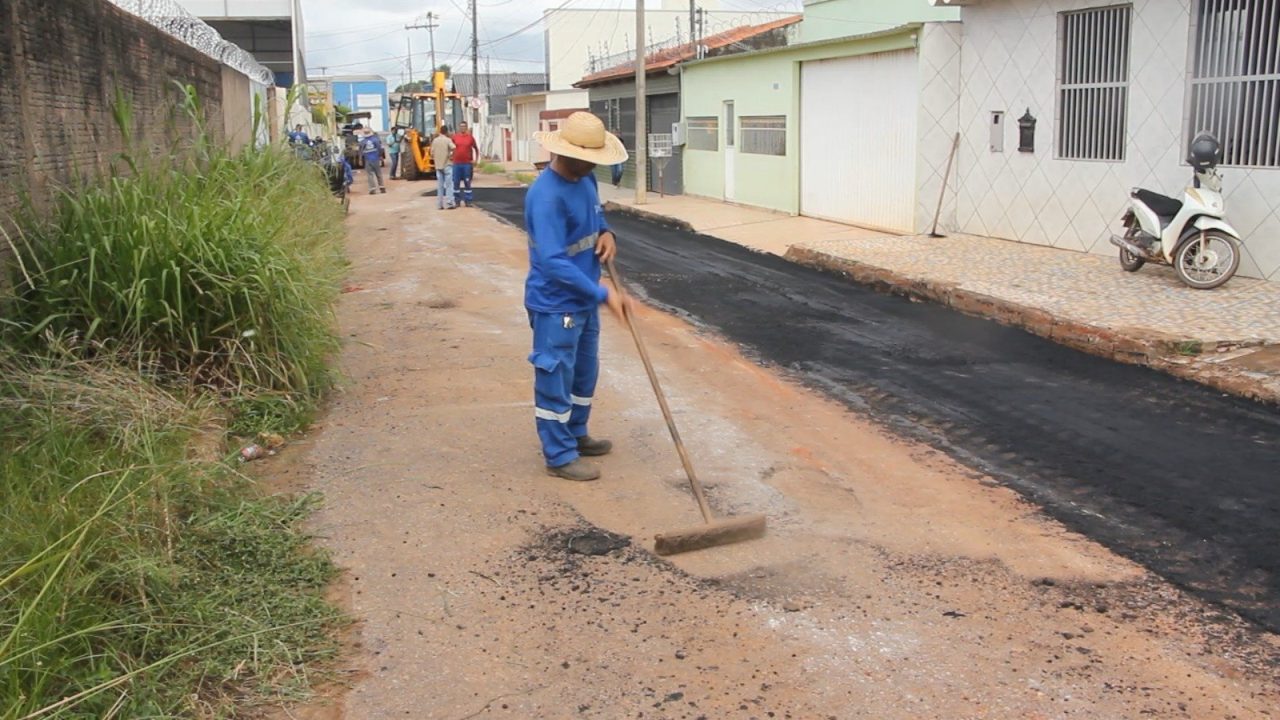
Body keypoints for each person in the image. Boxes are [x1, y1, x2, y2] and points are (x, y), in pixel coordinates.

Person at [524, 111, 630, 482]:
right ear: (566, 153)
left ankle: (576, 433)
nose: (591, 166)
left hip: (584, 298)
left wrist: (606, 233)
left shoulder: (585, 180)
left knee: (584, 372)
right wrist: (604, 294)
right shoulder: (546, 196)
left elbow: (595, 217)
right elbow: (552, 261)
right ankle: (559, 455)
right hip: (556, 303)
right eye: (588, 160)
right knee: (556, 375)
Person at [452, 121, 480, 207]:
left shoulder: (470, 138)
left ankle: (468, 201)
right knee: (456, 182)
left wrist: (476, 160)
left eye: (464, 126)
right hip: (456, 164)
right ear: (459, 127)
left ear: (466, 127)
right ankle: (457, 201)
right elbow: (450, 147)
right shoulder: (455, 137)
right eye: (461, 126)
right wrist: (450, 157)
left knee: (467, 182)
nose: (462, 128)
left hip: (467, 164)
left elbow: (476, 149)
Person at [430, 126, 457, 209]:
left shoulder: (435, 141)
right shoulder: (448, 140)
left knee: (440, 186)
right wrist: (451, 155)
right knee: (449, 185)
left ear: (440, 131)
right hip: (447, 165)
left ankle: (439, 204)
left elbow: (431, 153)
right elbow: (454, 147)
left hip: (438, 166)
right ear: (447, 132)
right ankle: (449, 203)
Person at [358, 126, 386, 195]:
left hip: (368, 160)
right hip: (376, 159)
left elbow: (360, 152)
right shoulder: (376, 140)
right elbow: (379, 149)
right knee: (378, 173)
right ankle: (382, 188)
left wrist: (360, 160)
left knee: (370, 174)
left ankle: (372, 189)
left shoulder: (362, 142)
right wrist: (381, 157)